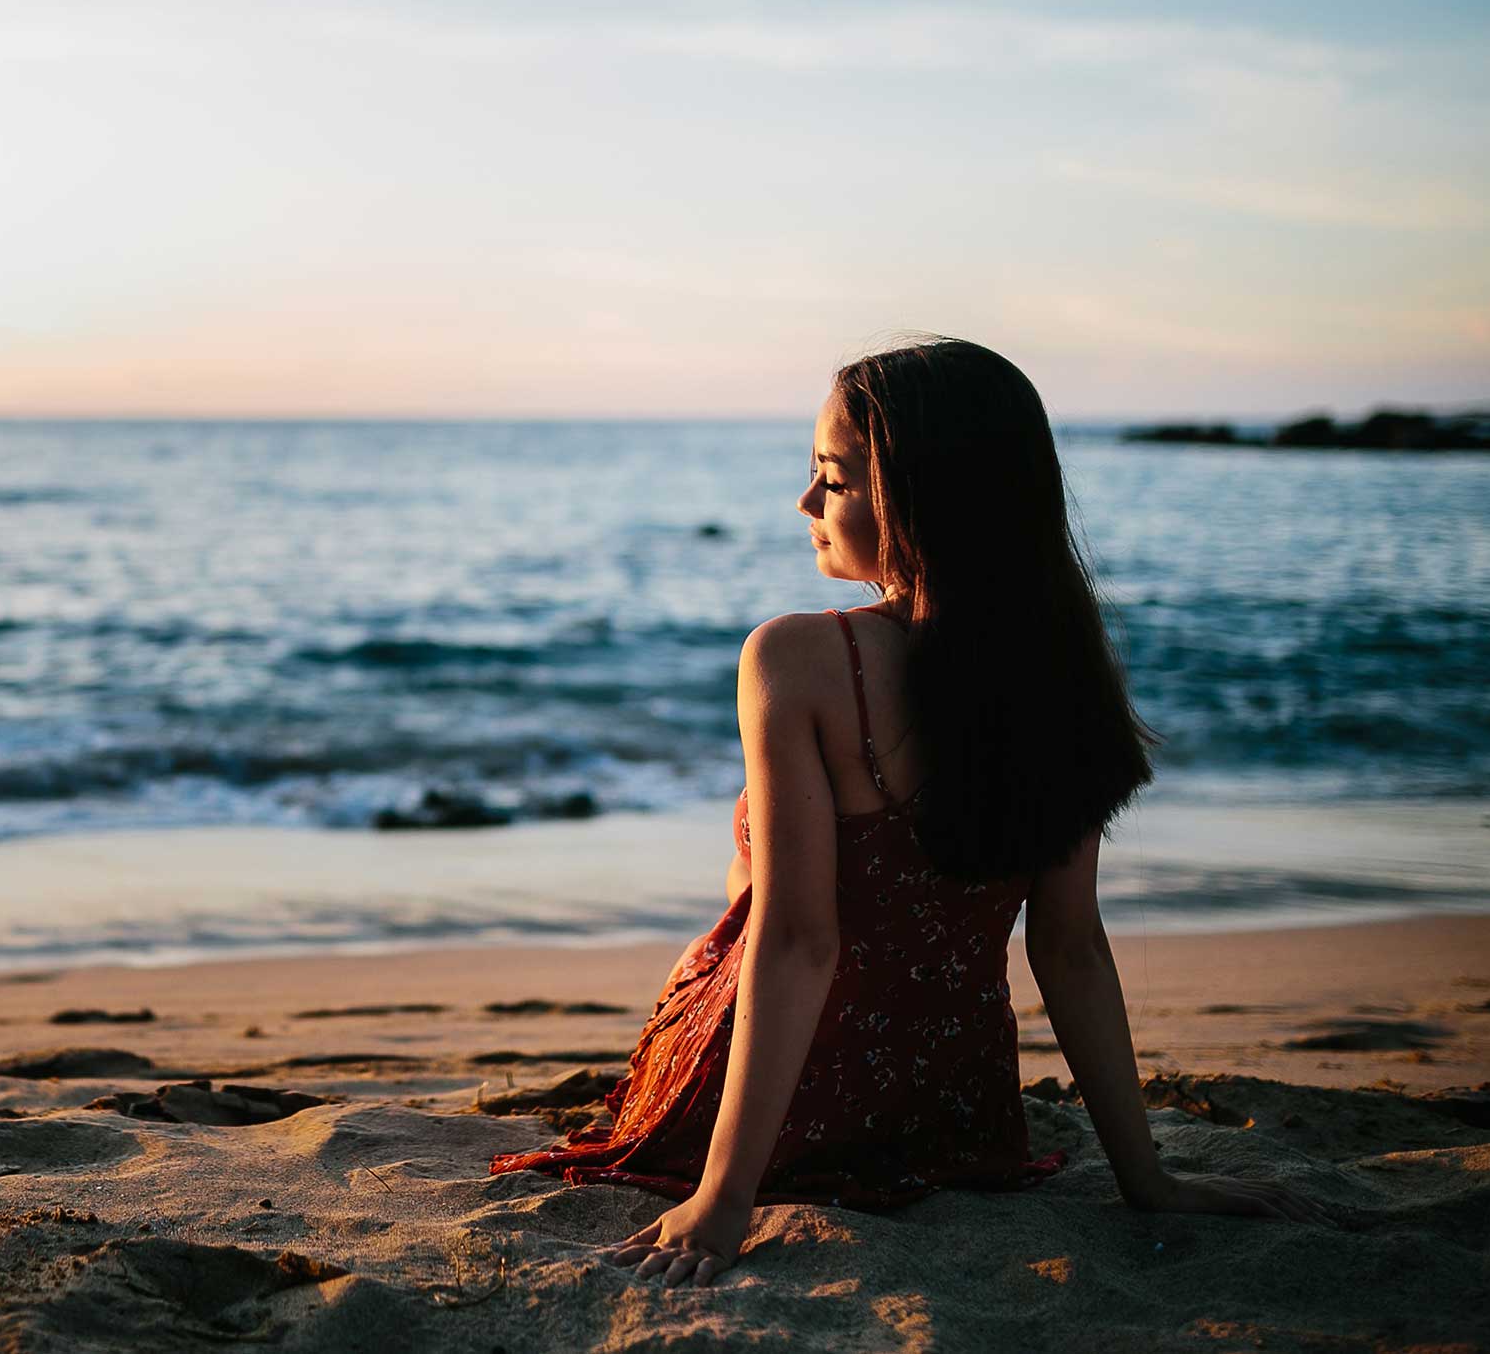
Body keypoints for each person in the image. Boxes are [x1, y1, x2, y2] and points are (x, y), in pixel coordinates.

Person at [487, 335, 1335, 1287]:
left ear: (923, 499)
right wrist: (1149, 1178)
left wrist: (725, 1197)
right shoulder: (1059, 664)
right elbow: (1070, 947)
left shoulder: (797, 659)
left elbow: (801, 939)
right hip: (954, 1114)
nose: (805, 504)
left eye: (832, 480)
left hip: (786, 1106)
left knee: (753, 874)